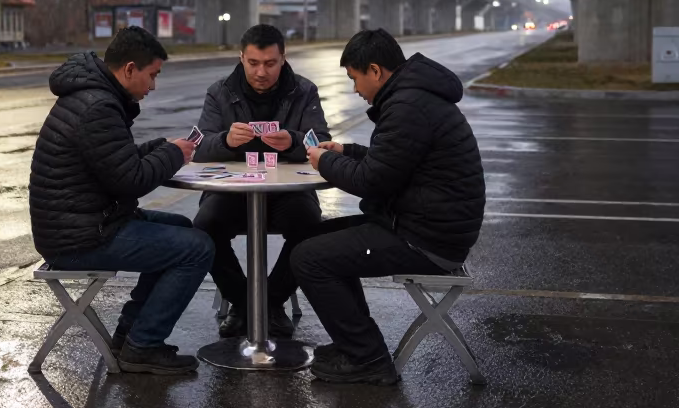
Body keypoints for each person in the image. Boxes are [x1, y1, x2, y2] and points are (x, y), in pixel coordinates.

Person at [296, 28, 485, 385]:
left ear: (375, 70)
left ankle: (367, 359)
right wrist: (346, 152)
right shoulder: (414, 98)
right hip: (426, 225)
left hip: (428, 240)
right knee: (316, 238)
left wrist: (322, 161)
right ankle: (353, 345)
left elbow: (371, 181)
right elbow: (395, 163)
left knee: (310, 258)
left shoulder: (407, 107)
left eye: (354, 79)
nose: (355, 89)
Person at [29, 26, 214, 375]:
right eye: (152, 75)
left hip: (84, 224)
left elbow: (115, 163)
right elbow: (131, 181)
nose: (154, 85)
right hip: (79, 239)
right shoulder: (98, 106)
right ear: (129, 69)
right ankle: (143, 346)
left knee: (182, 228)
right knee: (197, 247)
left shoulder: (93, 96)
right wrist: (172, 155)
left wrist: (164, 147)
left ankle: (130, 333)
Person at [192, 24, 330, 338]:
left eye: (270, 63)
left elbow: (320, 142)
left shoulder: (303, 90)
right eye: (253, 63)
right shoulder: (220, 91)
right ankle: (243, 303)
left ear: (283, 58)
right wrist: (226, 141)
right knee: (204, 228)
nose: (261, 72)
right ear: (241, 58)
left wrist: (293, 142)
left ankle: (271, 302)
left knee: (309, 227)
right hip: (232, 192)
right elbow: (199, 148)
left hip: (288, 193)